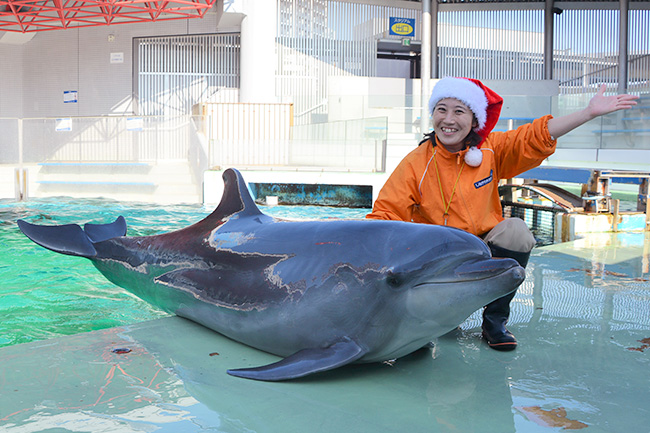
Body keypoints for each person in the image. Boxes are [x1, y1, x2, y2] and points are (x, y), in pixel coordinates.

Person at [367, 77, 639, 351]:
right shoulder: (416, 163)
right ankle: (438, 319)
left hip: (482, 249)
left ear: (475, 120)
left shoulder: (489, 150)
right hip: (439, 256)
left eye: (459, 111)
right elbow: (386, 214)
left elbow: (536, 135)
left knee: (516, 232)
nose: (448, 119)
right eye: (441, 109)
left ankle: (494, 320)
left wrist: (587, 113)